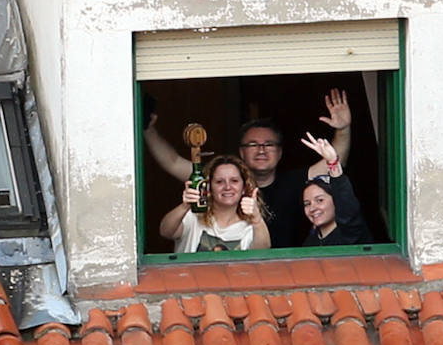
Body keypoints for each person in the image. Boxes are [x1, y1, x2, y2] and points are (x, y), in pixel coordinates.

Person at [143, 89, 353, 247]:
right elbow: (172, 162)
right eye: (253, 144)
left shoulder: (295, 181)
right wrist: (147, 128)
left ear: (280, 153)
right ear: (241, 152)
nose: (261, 150)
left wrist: (343, 130)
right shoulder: (222, 179)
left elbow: (334, 162)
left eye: (269, 144)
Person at [160, 154, 272, 252]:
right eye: (219, 182)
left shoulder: (250, 227)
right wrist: (184, 206)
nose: (227, 187)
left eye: (234, 181)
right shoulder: (194, 216)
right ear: (209, 188)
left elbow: (263, 251)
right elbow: (166, 232)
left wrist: (257, 220)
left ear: (244, 188)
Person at [297, 133, 373, 246]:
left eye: (320, 200)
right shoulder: (309, 244)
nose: (312, 208)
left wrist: (333, 163)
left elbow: (347, 208)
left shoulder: (350, 232)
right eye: (307, 204)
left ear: (336, 201)